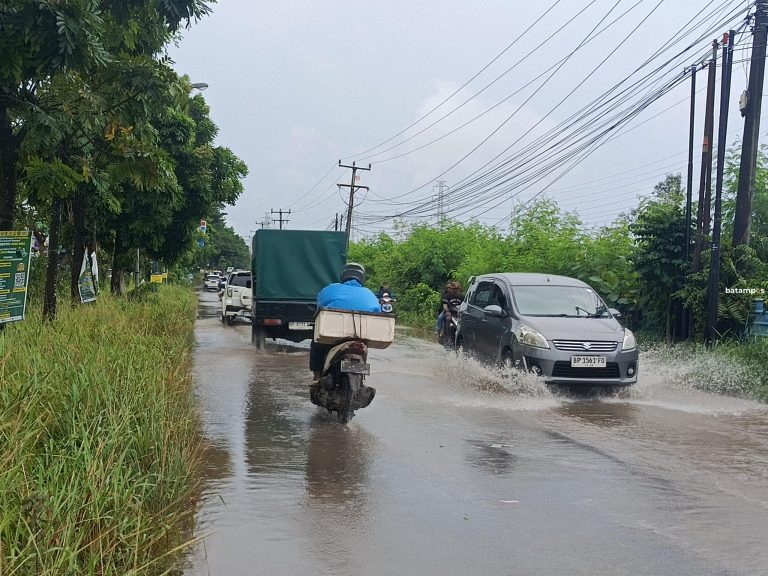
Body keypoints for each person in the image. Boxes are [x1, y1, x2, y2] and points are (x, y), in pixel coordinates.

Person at [310, 262, 382, 380]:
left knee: (316, 344)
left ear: (343, 276)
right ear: (362, 278)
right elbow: (377, 313)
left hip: (332, 336)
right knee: (364, 348)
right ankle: (362, 377)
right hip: (360, 337)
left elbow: (319, 307)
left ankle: (317, 377)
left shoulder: (330, 289)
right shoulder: (370, 294)